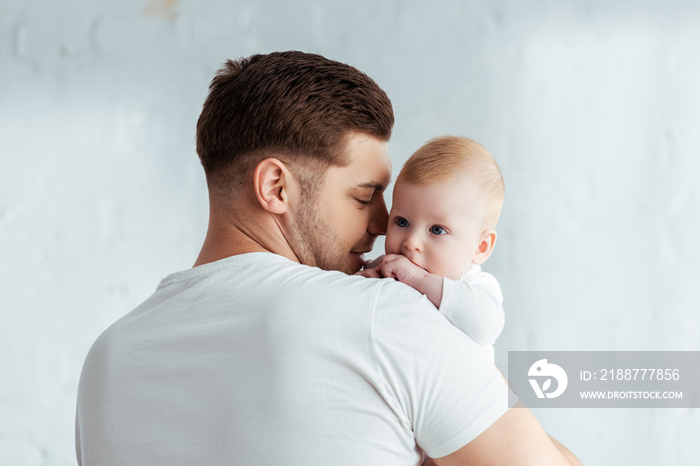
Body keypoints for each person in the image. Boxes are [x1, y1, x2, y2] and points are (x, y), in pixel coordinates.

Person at [75, 51, 581, 465]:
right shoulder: (383, 316)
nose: (385, 225)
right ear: (276, 187)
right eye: (364, 197)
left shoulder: (109, 358)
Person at [358, 136, 505, 361]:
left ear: (480, 247)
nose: (411, 242)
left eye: (437, 230)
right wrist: (364, 280)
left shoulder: (475, 288)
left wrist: (418, 280)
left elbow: (484, 326)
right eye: (402, 222)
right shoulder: (388, 268)